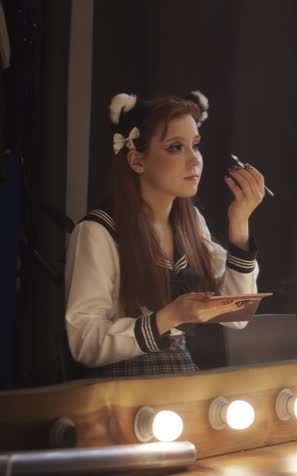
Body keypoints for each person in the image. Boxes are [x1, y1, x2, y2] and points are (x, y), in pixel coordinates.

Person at [65, 91, 266, 377]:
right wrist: (171, 316)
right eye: (175, 147)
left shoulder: (190, 222)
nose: (194, 160)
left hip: (180, 379)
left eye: (195, 146)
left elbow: (237, 316)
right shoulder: (98, 232)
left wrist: (240, 222)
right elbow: (83, 342)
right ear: (136, 160)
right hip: (120, 389)